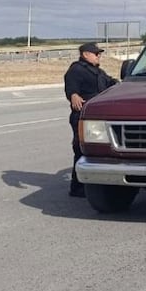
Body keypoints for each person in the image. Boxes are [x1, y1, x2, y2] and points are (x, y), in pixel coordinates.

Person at [64, 42, 117, 197]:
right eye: (96, 53)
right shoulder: (76, 69)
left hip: (97, 116)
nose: (99, 56)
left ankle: (95, 183)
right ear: (85, 54)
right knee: (81, 149)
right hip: (81, 115)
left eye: (99, 53)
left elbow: (109, 82)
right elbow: (71, 87)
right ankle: (77, 187)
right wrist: (73, 94)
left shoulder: (97, 71)